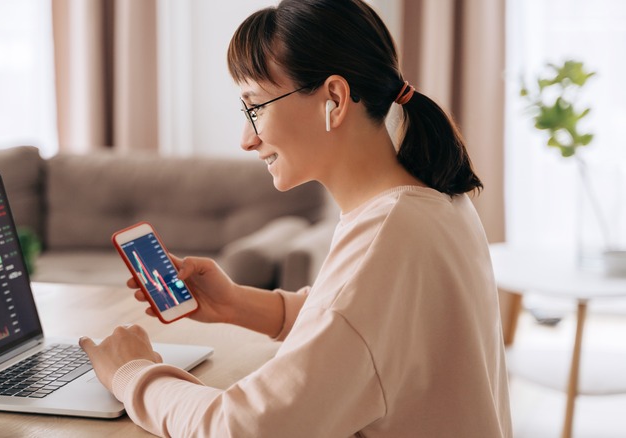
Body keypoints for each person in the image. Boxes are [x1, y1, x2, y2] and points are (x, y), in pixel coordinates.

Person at [79, 0, 513, 436]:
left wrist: (132, 373)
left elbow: (243, 428)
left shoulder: (387, 238)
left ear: (335, 99)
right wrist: (238, 304)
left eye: (256, 107)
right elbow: (365, 324)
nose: (247, 139)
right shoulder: (435, 201)